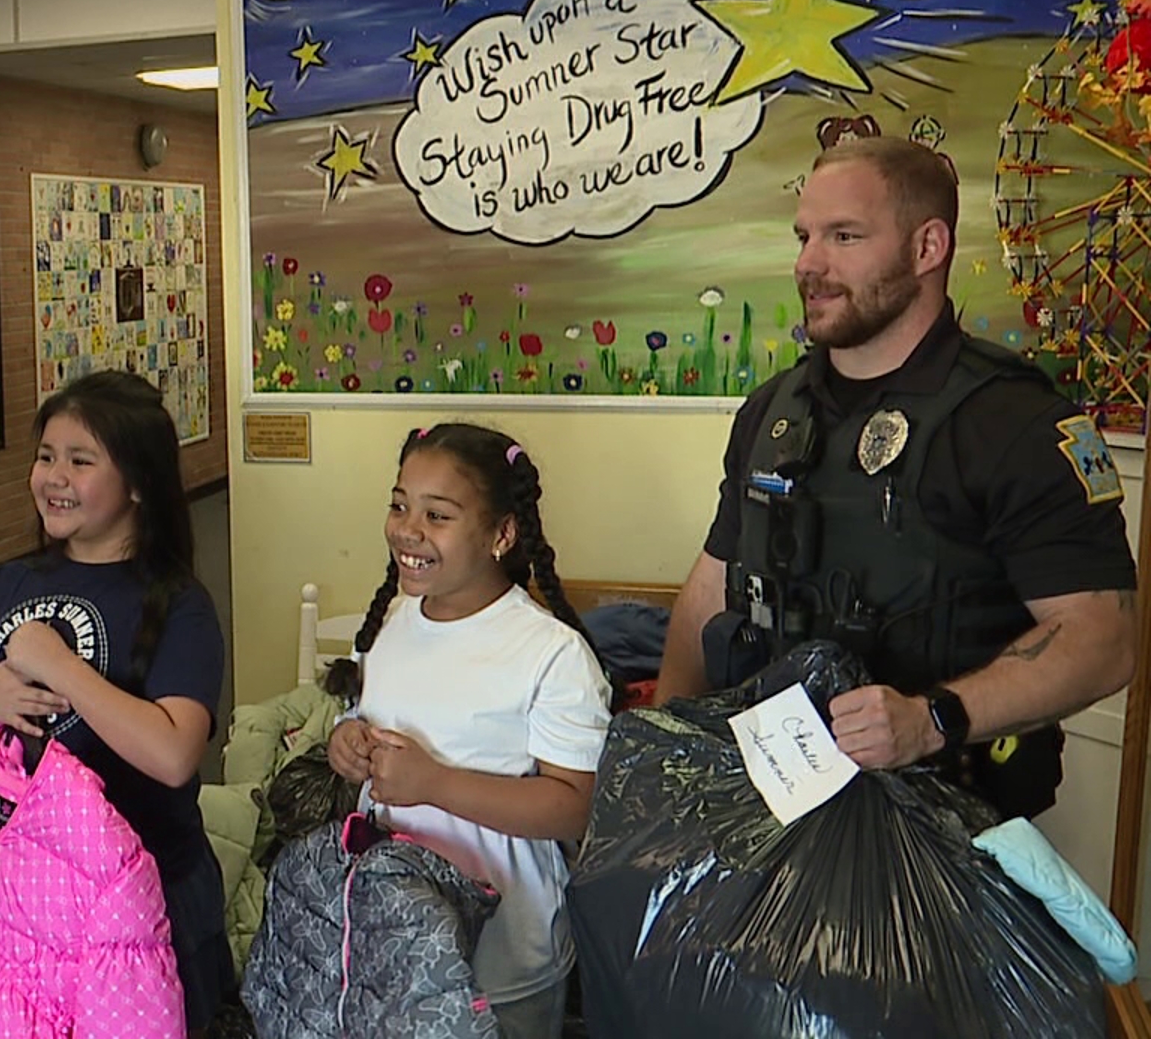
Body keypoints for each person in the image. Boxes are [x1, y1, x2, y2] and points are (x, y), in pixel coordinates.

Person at [656, 136, 1138, 819]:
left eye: (845, 236)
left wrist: (930, 719)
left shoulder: (1013, 423)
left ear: (927, 247)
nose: (809, 265)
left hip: (949, 837)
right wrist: (671, 749)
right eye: (804, 237)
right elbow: (713, 586)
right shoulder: (772, 411)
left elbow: (1102, 640)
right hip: (775, 816)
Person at [0, 370, 231, 1035]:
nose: (53, 477)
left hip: (144, 896)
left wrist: (58, 665)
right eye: (46, 457)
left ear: (138, 482)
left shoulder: (177, 603)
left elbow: (174, 755)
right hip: (18, 898)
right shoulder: (9, 582)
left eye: (80, 461)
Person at [324, 423, 611, 1039]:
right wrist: (347, 744)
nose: (408, 529)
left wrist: (435, 783)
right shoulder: (394, 622)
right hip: (393, 942)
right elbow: (369, 723)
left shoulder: (550, 654)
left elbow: (574, 808)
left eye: (438, 514)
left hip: (505, 960)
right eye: (399, 504)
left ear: (502, 534)